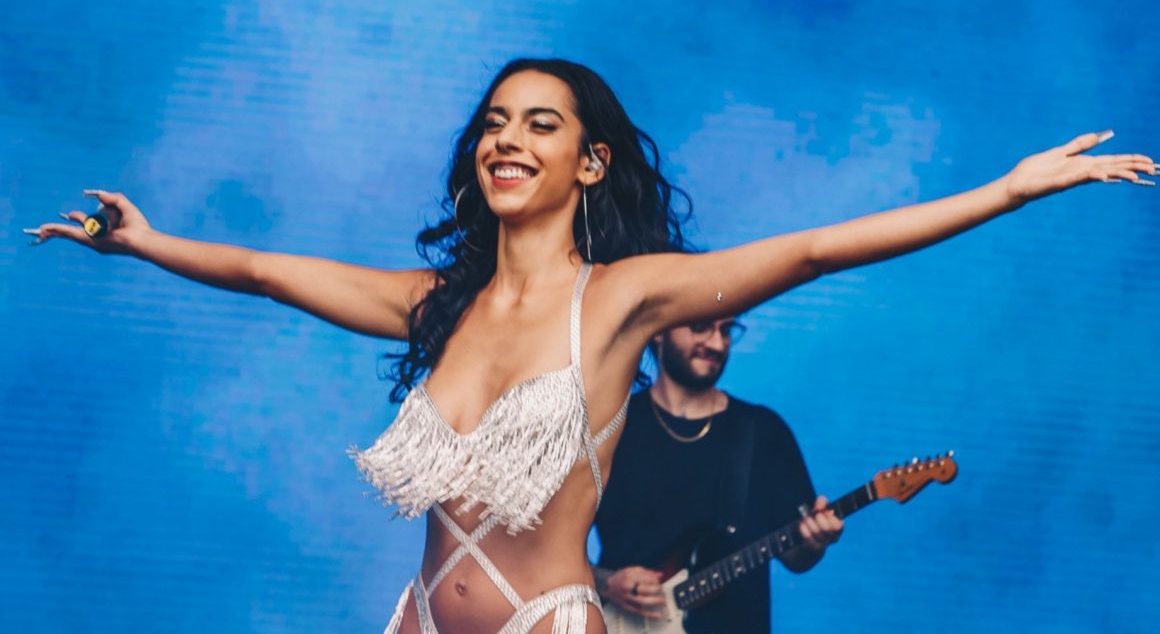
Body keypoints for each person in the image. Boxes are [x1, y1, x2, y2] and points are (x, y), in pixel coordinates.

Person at [24, 57, 1154, 633]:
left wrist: (1007, 190)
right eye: (493, 123)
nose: (506, 139)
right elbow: (268, 271)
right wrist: (147, 242)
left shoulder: (618, 302)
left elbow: (815, 249)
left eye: (541, 123)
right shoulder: (439, 305)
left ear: (589, 161)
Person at [593, 317, 840, 633]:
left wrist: (814, 543)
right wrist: (606, 583)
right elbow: (544, 551)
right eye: (701, 327)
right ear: (659, 331)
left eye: (725, 330)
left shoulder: (763, 432)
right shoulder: (612, 427)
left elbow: (796, 558)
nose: (716, 343)